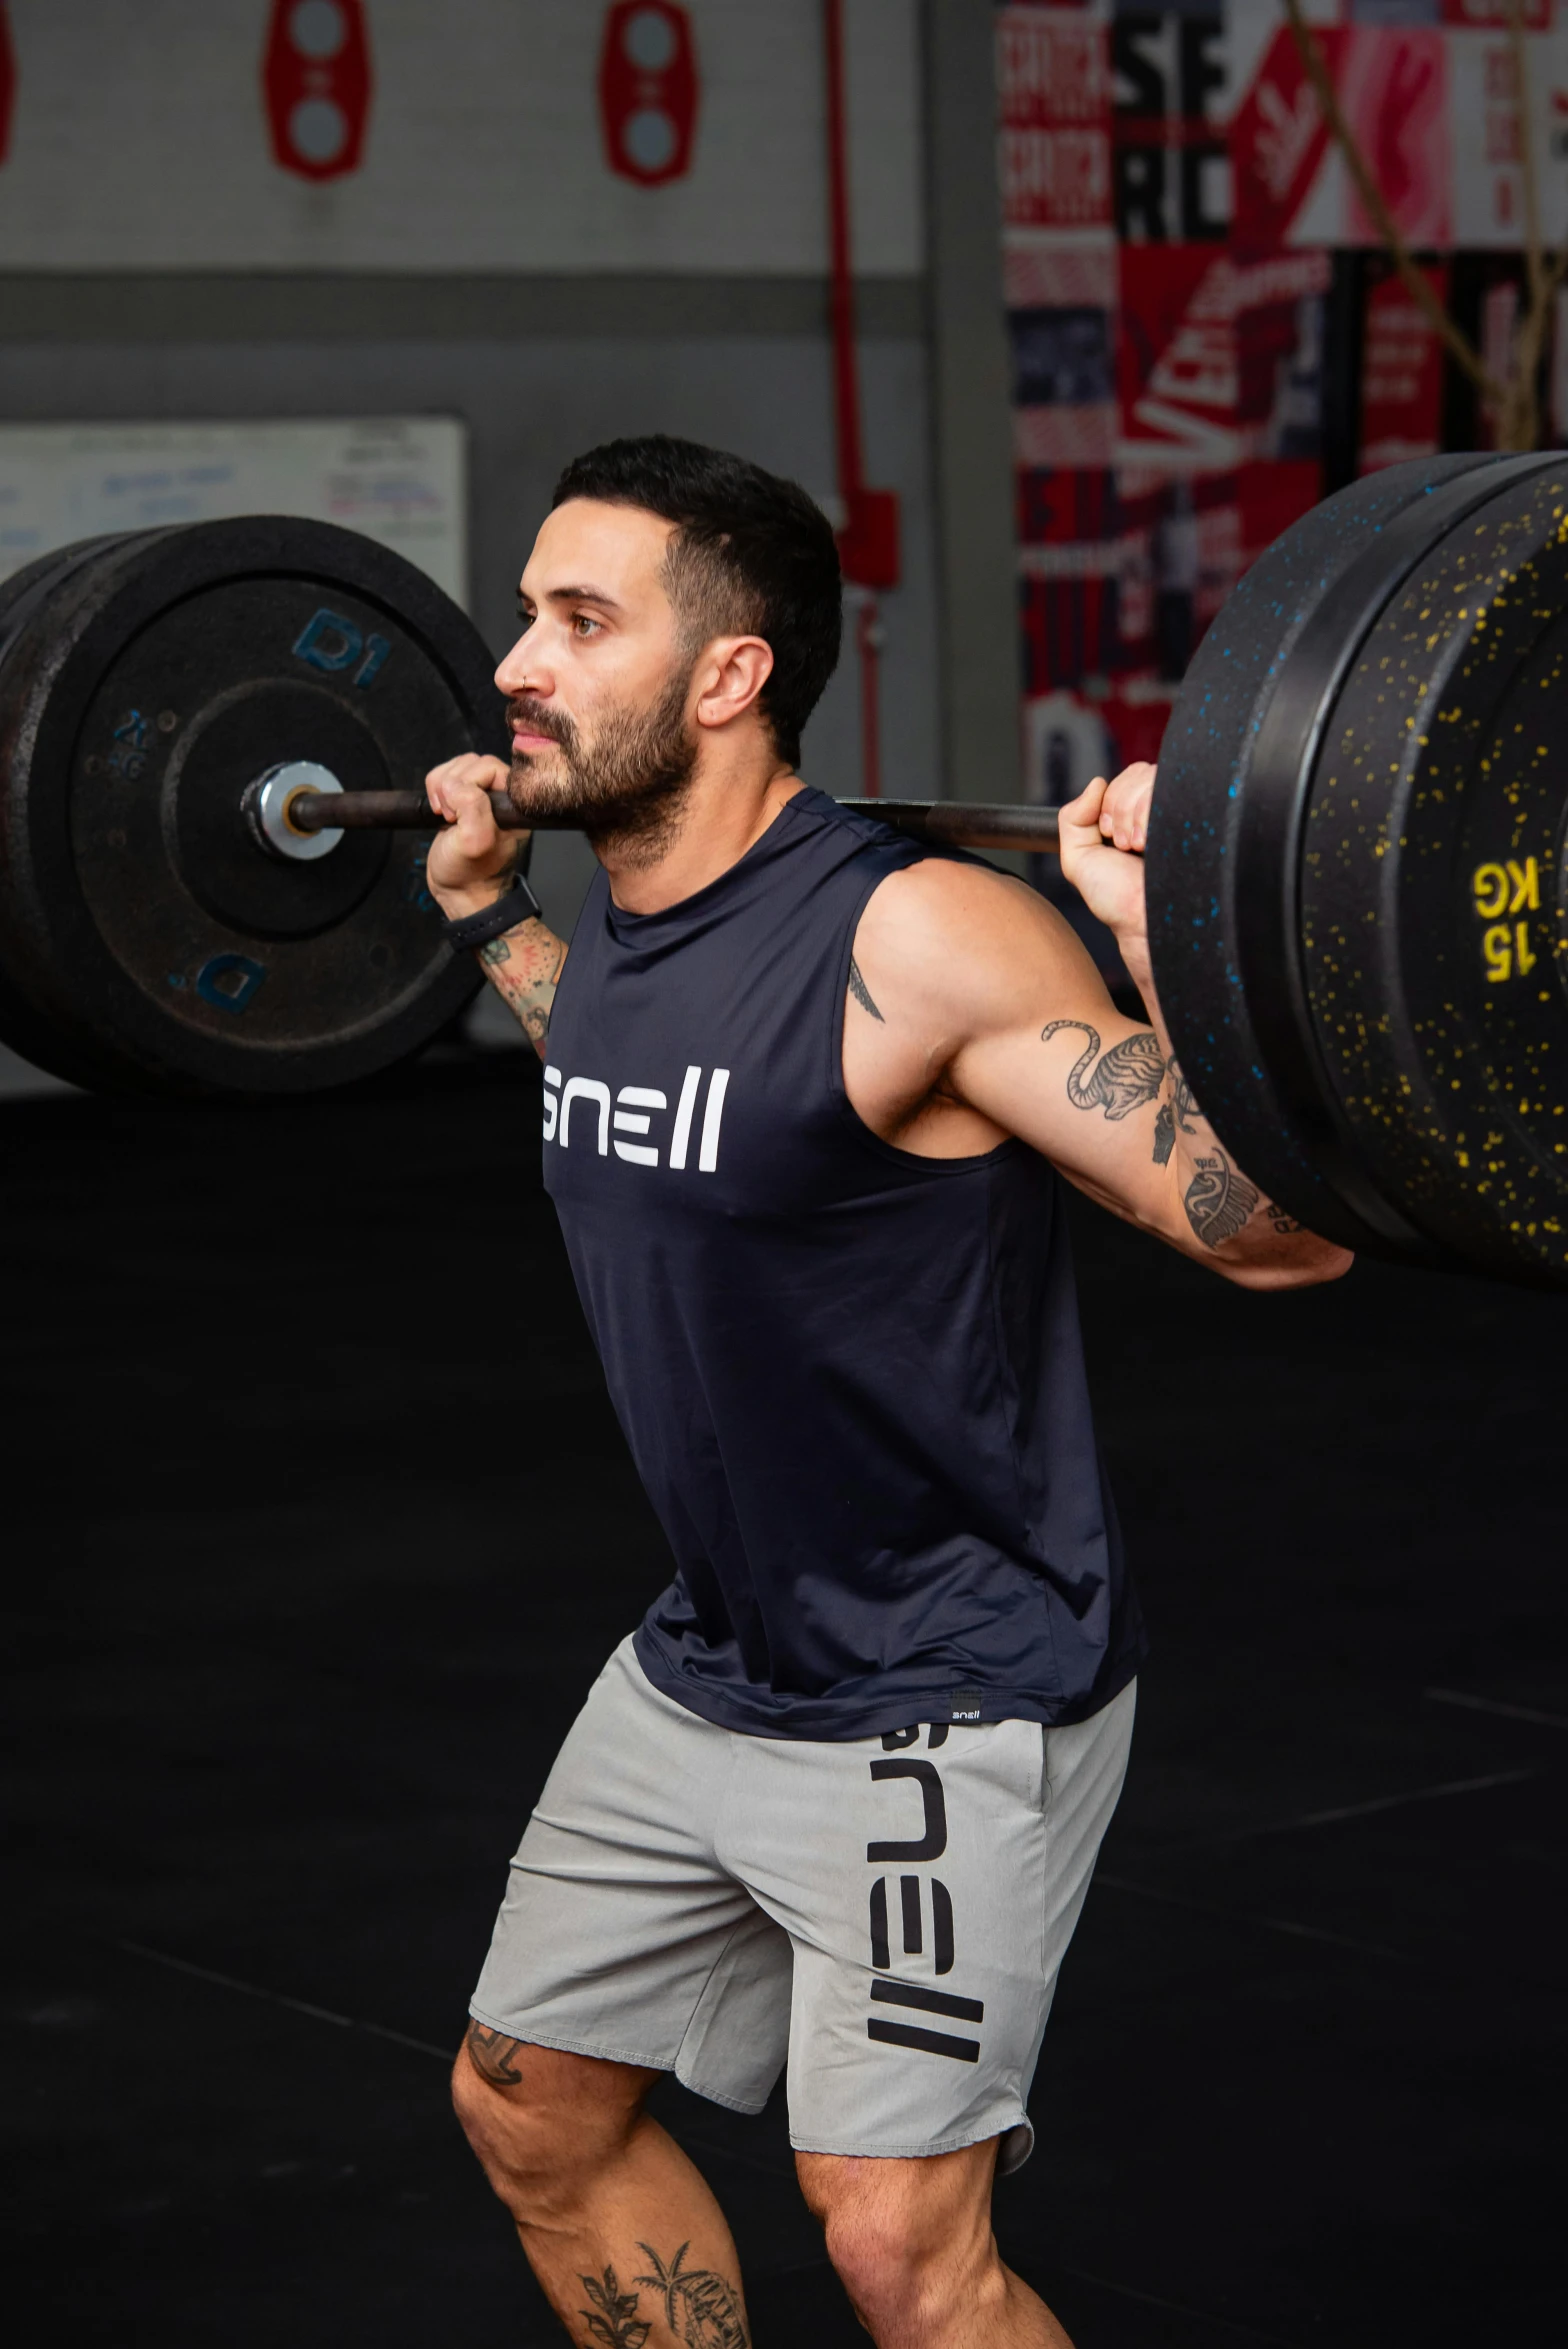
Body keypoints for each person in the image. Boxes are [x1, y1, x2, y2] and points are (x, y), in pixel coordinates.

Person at [425, 437, 1351, 2349]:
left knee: (896, 2252)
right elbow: (635, 1091)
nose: (516, 657)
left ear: (728, 677)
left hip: (943, 1682)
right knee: (529, 2114)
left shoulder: (911, 936)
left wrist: (1154, 940)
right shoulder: (625, 920)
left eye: (577, 620)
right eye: (526, 609)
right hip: (716, 1658)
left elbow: (1278, 1238)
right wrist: (491, 924)